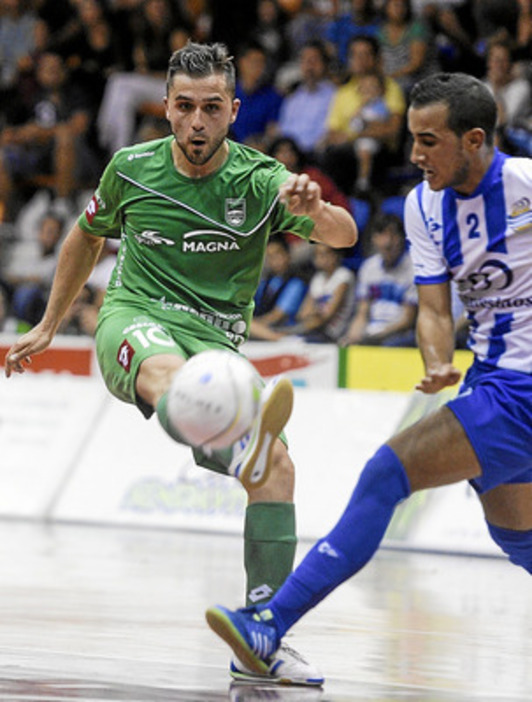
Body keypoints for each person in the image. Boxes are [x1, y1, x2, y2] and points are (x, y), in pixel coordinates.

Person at [4, 41, 357, 686]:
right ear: (165, 107)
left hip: (217, 345)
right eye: (186, 106)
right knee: (169, 374)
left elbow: (345, 235)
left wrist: (315, 209)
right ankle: (237, 440)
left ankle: (263, 634)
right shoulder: (131, 168)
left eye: (212, 108)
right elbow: (86, 236)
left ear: (234, 111)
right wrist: (50, 323)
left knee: (278, 469)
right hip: (136, 319)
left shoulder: (261, 181)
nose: (198, 121)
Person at [205, 72, 532, 681]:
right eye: (411, 138)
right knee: (518, 536)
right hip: (488, 380)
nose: (414, 154)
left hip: (521, 390)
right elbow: (434, 310)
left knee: (386, 475)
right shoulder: (422, 205)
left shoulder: (525, 186)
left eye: (429, 141)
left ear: (474, 139)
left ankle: (268, 624)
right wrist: (436, 359)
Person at [321, 34, 406, 195]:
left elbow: (393, 129)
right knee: (329, 155)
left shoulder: (389, 87)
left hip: (380, 150)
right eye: (355, 55)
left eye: (365, 54)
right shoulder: (342, 92)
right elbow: (332, 132)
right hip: (346, 152)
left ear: (376, 58)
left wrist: (354, 136)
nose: (360, 60)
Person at [341, 212, 417, 347]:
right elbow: (362, 313)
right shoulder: (369, 267)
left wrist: (377, 337)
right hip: (371, 332)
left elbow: (407, 320)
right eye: (382, 235)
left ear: (402, 238)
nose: (388, 242)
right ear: (374, 239)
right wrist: (352, 336)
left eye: (393, 235)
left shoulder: (414, 268)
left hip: (399, 335)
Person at [250, 234, 307, 341]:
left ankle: (280, 339)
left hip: (284, 329)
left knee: (246, 325)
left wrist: (254, 324)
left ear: (287, 254)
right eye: (270, 256)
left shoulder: (296, 282)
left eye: (277, 254)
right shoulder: (266, 281)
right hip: (264, 327)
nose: (274, 260)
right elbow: (254, 304)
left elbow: (278, 315)